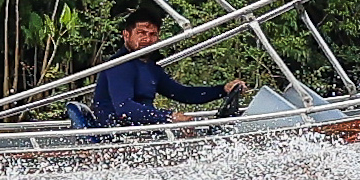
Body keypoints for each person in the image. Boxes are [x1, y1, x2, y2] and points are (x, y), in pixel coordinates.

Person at [85, 13, 246, 128]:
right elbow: (125, 109)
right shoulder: (119, 65)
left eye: (152, 35)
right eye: (141, 33)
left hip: (142, 131)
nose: (147, 39)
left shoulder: (150, 67)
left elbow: (182, 94)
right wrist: (169, 117)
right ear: (126, 35)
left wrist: (223, 90)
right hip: (118, 136)